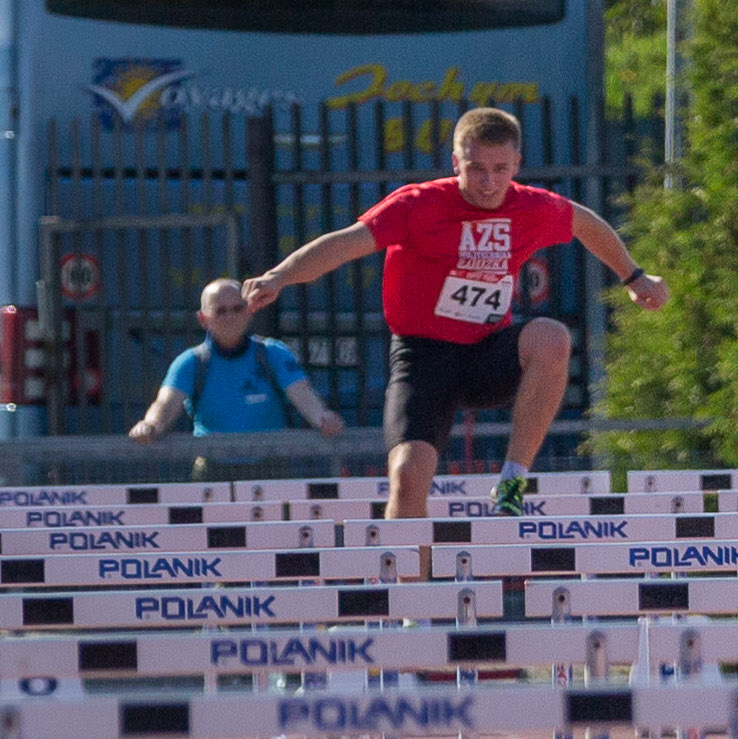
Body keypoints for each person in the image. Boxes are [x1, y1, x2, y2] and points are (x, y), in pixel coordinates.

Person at [235, 103, 663, 516]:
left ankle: (513, 478)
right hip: (423, 358)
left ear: (517, 163)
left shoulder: (532, 207)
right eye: (476, 169)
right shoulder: (418, 205)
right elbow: (344, 244)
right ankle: (409, 588)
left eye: (499, 170)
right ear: (455, 162)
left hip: (486, 351)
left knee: (552, 337)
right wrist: (279, 276)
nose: (489, 183)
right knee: (407, 475)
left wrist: (633, 277)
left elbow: (587, 223)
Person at [132, 279, 343, 442]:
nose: (230, 317)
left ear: (249, 311)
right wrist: (150, 425)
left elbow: (302, 393)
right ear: (203, 319)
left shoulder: (273, 353)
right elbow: (166, 403)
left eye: (237, 308)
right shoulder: (190, 363)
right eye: (220, 311)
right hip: (212, 468)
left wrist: (321, 418)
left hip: (271, 465)